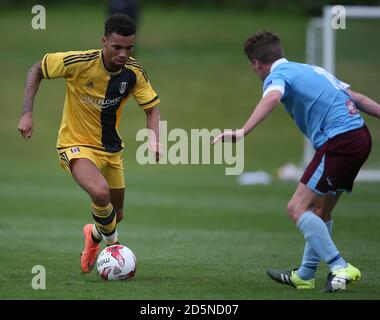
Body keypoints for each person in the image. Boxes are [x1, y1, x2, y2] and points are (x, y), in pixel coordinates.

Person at [212, 31, 380, 292]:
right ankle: (305, 274)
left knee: (296, 208)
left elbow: (273, 97)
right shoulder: (312, 69)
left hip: (338, 142)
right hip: (360, 137)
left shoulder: (277, 77)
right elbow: (356, 98)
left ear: (256, 63)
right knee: (321, 211)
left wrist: (242, 131)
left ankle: (340, 265)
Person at [17, 13, 162, 273]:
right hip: (74, 143)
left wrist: (154, 140)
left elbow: (151, 109)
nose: (123, 54)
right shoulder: (79, 61)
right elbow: (37, 69)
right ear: (104, 41)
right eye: (116, 47)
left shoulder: (134, 72)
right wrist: (27, 112)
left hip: (111, 149)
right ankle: (114, 250)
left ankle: (93, 235)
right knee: (100, 193)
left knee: (115, 216)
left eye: (129, 48)